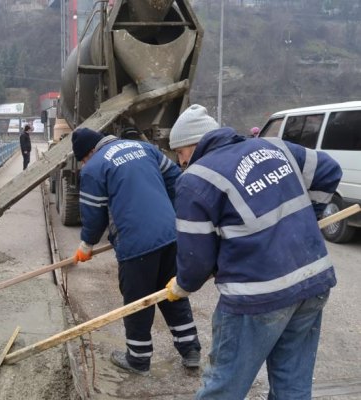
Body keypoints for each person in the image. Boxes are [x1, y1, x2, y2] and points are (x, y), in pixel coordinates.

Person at [165, 104, 342, 399]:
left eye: (180, 153)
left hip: (258, 296)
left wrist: (182, 285)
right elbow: (328, 169)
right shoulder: (273, 146)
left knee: (224, 387)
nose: (181, 162)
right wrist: (312, 214)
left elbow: (196, 260)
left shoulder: (195, 180)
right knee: (293, 386)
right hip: (313, 281)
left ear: (191, 145)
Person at [71, 127, 201, 375]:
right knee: (173, 292)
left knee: (137, 300)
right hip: (170, 235)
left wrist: (86, 245)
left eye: (83, 159)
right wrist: (171, 214)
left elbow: (94, 215)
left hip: (136, 244)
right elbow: (175, 178)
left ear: (88, 153)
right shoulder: (145, 148)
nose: (85, 163)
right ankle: (191, 350)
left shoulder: (94, 167)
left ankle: (138, 359)